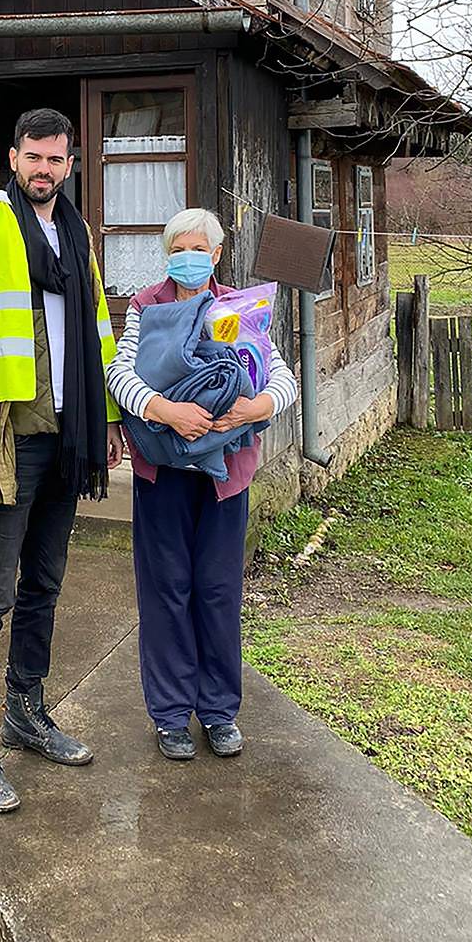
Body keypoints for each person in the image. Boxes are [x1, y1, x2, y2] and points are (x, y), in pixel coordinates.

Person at [0, 108, 125, 812]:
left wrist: (106, 417)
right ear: (15, 158)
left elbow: (99, 332)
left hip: (68, 437)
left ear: (70, 164)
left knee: (44, 583)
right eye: (34, 157)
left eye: (56, 159)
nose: (44, 169)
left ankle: (25, 710)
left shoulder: (76, 234)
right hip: (10, 441)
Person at [107, 208, 298, 761]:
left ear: (216, 255)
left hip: (226, 478)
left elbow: (279, 374)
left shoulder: (241, 306)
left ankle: (218, 711)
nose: (188, 258)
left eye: (199, 249)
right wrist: (166, 411)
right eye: (177, 249)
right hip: (163, 470)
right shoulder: (148, 305)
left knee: (217, 591)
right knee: (165, 591)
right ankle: (169, 715)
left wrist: (255, 407)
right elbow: (122, 374)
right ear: (167, 255)